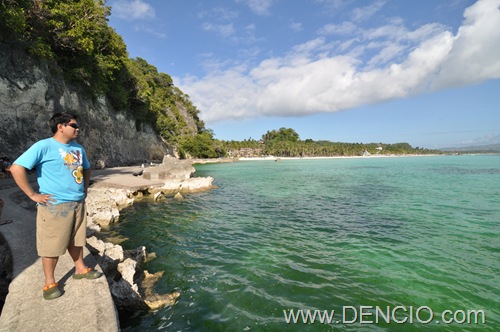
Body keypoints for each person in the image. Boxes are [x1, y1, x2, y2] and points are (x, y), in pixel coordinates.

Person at [10, 112, 102, 300]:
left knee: (77, 239)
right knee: (51, 245)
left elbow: (87, 168)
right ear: (60, 126)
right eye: (73, 126)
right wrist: (32, 195)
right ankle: (49, 282)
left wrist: (84, 189)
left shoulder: (78, 149)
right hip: (54, 206)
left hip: (77, 203)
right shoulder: (44, 146)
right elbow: (16, 168)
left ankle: (80, 268)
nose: (78, 129)